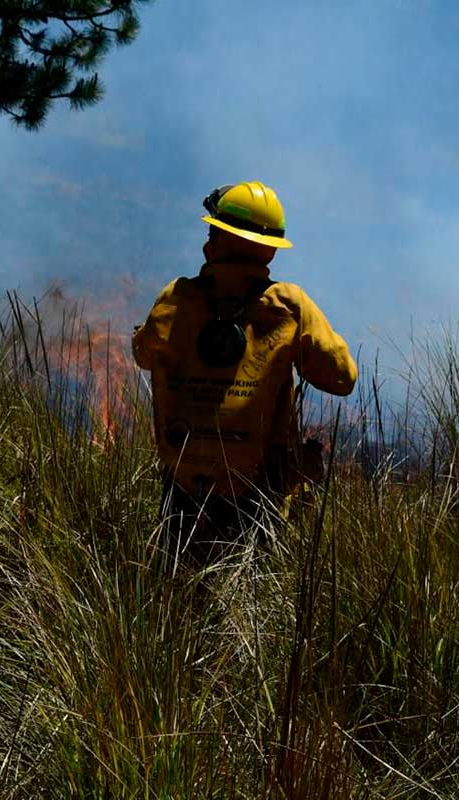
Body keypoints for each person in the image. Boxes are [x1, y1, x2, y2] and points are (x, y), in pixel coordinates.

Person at [132, 181, 357, 568]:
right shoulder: (288, 306)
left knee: (175, 596)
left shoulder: (176, 298)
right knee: (248, 599)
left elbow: (142, 354)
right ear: (269, 250)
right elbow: (342, 377)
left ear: (216, 239)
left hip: (181, 489)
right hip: (257, 493)